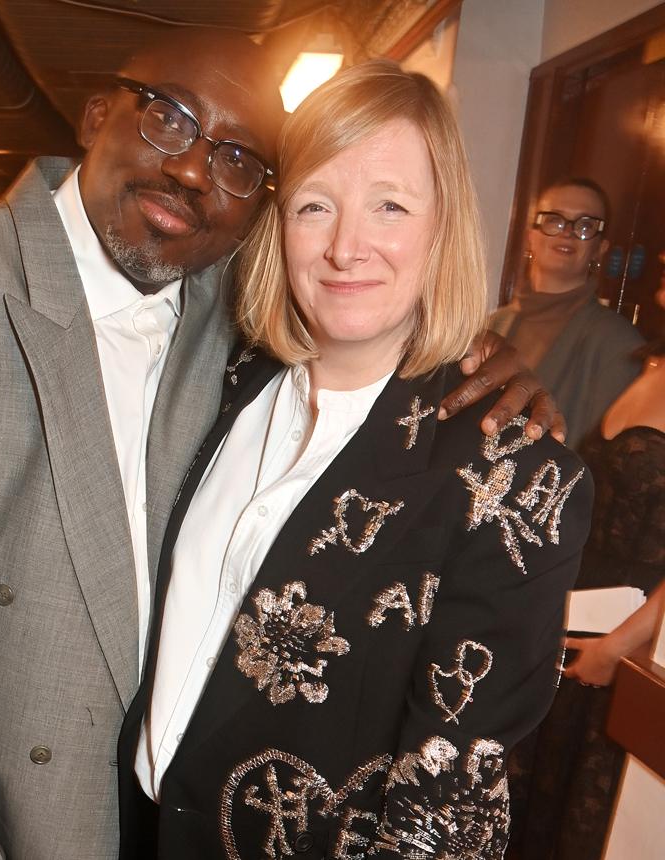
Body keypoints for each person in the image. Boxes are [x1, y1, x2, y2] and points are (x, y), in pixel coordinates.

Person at [0, 31, 562, 860]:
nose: (195, 171)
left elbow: (367, 298)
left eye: (236, 158)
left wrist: (482, 352)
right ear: (96, 116)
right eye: (169, 119)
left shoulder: (222, 322)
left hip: (141, 820)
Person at [117, 60, 593, 860]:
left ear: (442, 227)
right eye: (315, 206)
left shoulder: (515, 482)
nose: (346, 247)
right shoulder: (227, 377)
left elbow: (445, 822)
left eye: (390, 206)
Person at [505, 268, 665, 860]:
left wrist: (619, 645)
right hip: (573, 621)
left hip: (629, 644)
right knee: (537, 805)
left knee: (587, 822)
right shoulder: (648, 366)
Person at [490, 178, 644, 449]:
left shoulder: (620, 345)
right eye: (554, 220)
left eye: (585, 225)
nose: (568, 233)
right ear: (531, 236)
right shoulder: (491, 325)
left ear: (600, 247)